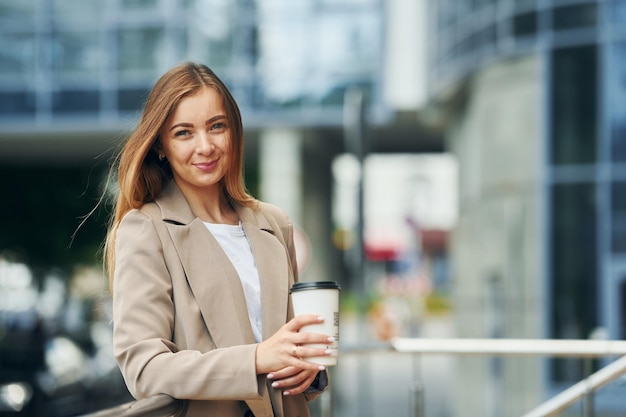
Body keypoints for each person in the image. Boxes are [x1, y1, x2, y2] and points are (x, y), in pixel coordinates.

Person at [103, 62, 331, 417]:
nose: (205, 146)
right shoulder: (147, 229)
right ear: (161, 145)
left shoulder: (274, 223)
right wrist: (255, 359)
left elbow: (288, 348)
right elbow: (144, 369)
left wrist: (310, 368)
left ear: (233, 132)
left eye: (216, 126)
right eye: (183, 133)